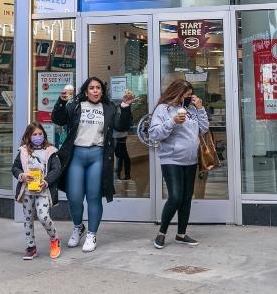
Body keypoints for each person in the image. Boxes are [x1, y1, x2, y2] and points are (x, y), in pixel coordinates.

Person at [52, 77, 134, 253]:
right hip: (77, 155)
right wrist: (62, 101)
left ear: (102, 91)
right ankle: (78, 227)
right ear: (86, 90)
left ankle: (91, 234)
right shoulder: (75, 106)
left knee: (93, 197)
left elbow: (121, 125)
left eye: (98, 87)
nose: (95, 91)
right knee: (74, 197)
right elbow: (58, 120)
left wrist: (126, 107)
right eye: (92, 88)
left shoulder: (109, 108)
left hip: (98, 156)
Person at [148, 79, 208, 249]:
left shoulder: (191, 110)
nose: (189, 98)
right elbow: (154, 134)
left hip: (191, 160)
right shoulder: (163, 109)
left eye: (191, 95)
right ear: (177, 93)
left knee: (186, 198)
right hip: (171, 159)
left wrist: (200, 109)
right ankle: (162, 233)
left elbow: (203, 129)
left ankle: (181, 234)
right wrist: (173, 121)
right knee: (175, 197)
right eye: (186, 95)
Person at [11, 122, 62, 260]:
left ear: (44, 135)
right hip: (27, 191)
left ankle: (55, 238)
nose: (38, 136)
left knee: (43, 216)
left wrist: (46, 182)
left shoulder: (51, 151)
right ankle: (31, 247)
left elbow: (57, 170)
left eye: (40, 134)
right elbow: (15, 168)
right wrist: (22, 175)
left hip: (43, 192)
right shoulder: (23, 151)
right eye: (34, 134)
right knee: (28, 219)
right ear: (29, 136)